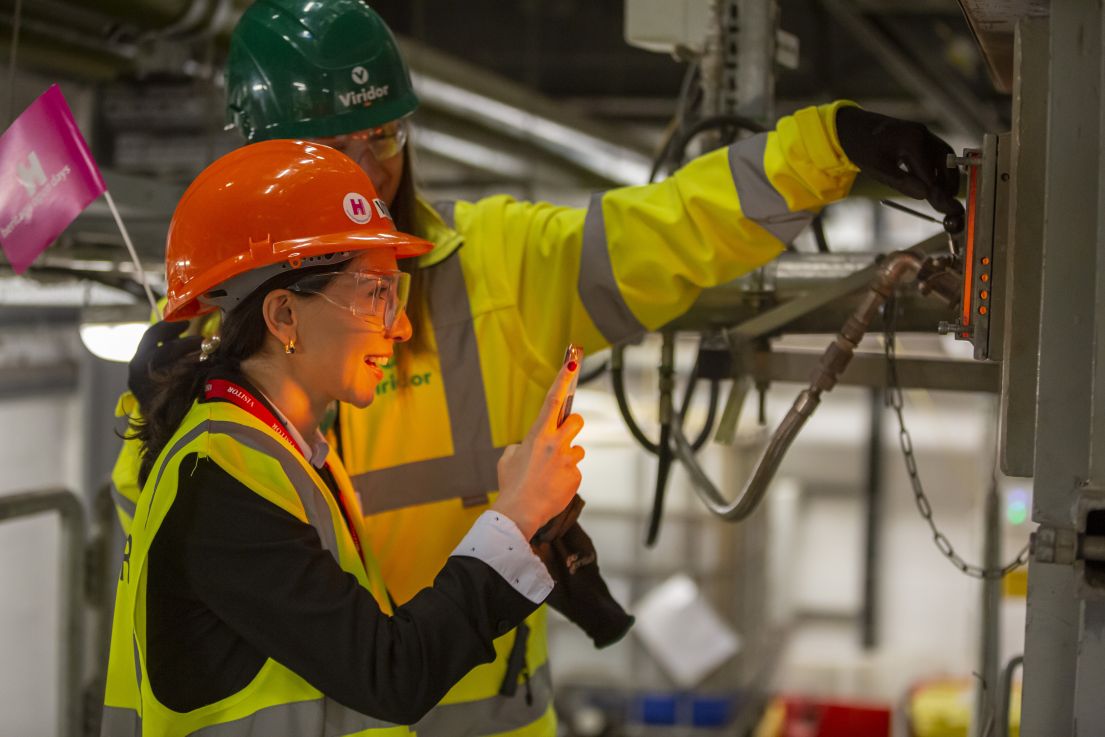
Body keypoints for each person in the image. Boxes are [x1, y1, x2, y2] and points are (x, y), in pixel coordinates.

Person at [111, 2, 965, 735]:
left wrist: (829, 148)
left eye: (381, 137)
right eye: (328, 150)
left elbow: (668, 229)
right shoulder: (200, 344)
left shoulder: (501, 266)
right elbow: (170, 550)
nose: (367, 175)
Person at [101, 139, 586, 736]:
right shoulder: (222, 476)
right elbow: (389, 672)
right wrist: (515, 515)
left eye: (395, 293)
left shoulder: (289, 455)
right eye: (377, 294)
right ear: (283, 317)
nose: (402, 325)